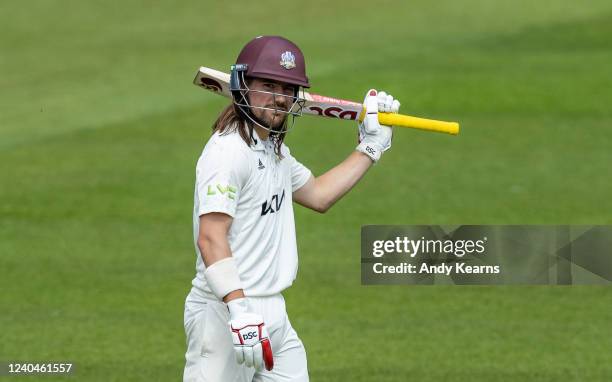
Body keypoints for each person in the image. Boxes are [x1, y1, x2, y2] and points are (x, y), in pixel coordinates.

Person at [183, 35, 400, 382]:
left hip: (274, 314)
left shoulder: (274, 151)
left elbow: (318, 195)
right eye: (268, 85)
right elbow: (210, 237)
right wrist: (239, 311)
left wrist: (371, 147)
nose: (279, 98)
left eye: (288, 88)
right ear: (242, 85)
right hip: (226, 315)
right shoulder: (227, 154)